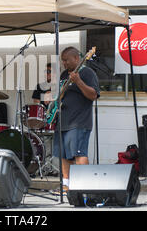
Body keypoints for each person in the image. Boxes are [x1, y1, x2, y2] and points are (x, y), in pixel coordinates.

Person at [52, 46, 100, 195]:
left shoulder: (86, 72)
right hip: (63, 120)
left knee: (79, 154)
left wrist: (78, 81)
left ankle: (85, 185)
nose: (64, 63)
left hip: (79, 122)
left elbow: (93, 95)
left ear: (76, 58)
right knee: (64, 154)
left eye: (66, 60)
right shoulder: (63, 75)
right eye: (62, 61)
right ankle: (66, 184)